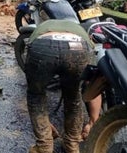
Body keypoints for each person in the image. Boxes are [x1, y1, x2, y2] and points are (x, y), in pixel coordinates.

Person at [25, 19, 96, 153]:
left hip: (43, 46)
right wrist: (93, 120)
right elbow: (91, 82)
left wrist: (45, 125)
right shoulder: (80, 31)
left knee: (36, 95)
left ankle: (44, 146)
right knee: (73, 96)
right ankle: (72, 144)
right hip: (78, 48)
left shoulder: (43, 26)